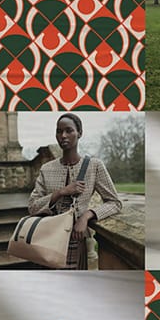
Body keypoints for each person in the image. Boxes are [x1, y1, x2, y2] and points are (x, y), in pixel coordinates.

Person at [25, 114, 123, 270]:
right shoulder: (47, 169)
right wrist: (61, 192)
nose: (63, 136)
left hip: (76, 240)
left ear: (79, 133)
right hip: (47, 239)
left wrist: (86, 216)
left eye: (69, 130)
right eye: (59, 131)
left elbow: (115, 203)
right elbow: (32, 207)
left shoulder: (94, 166)